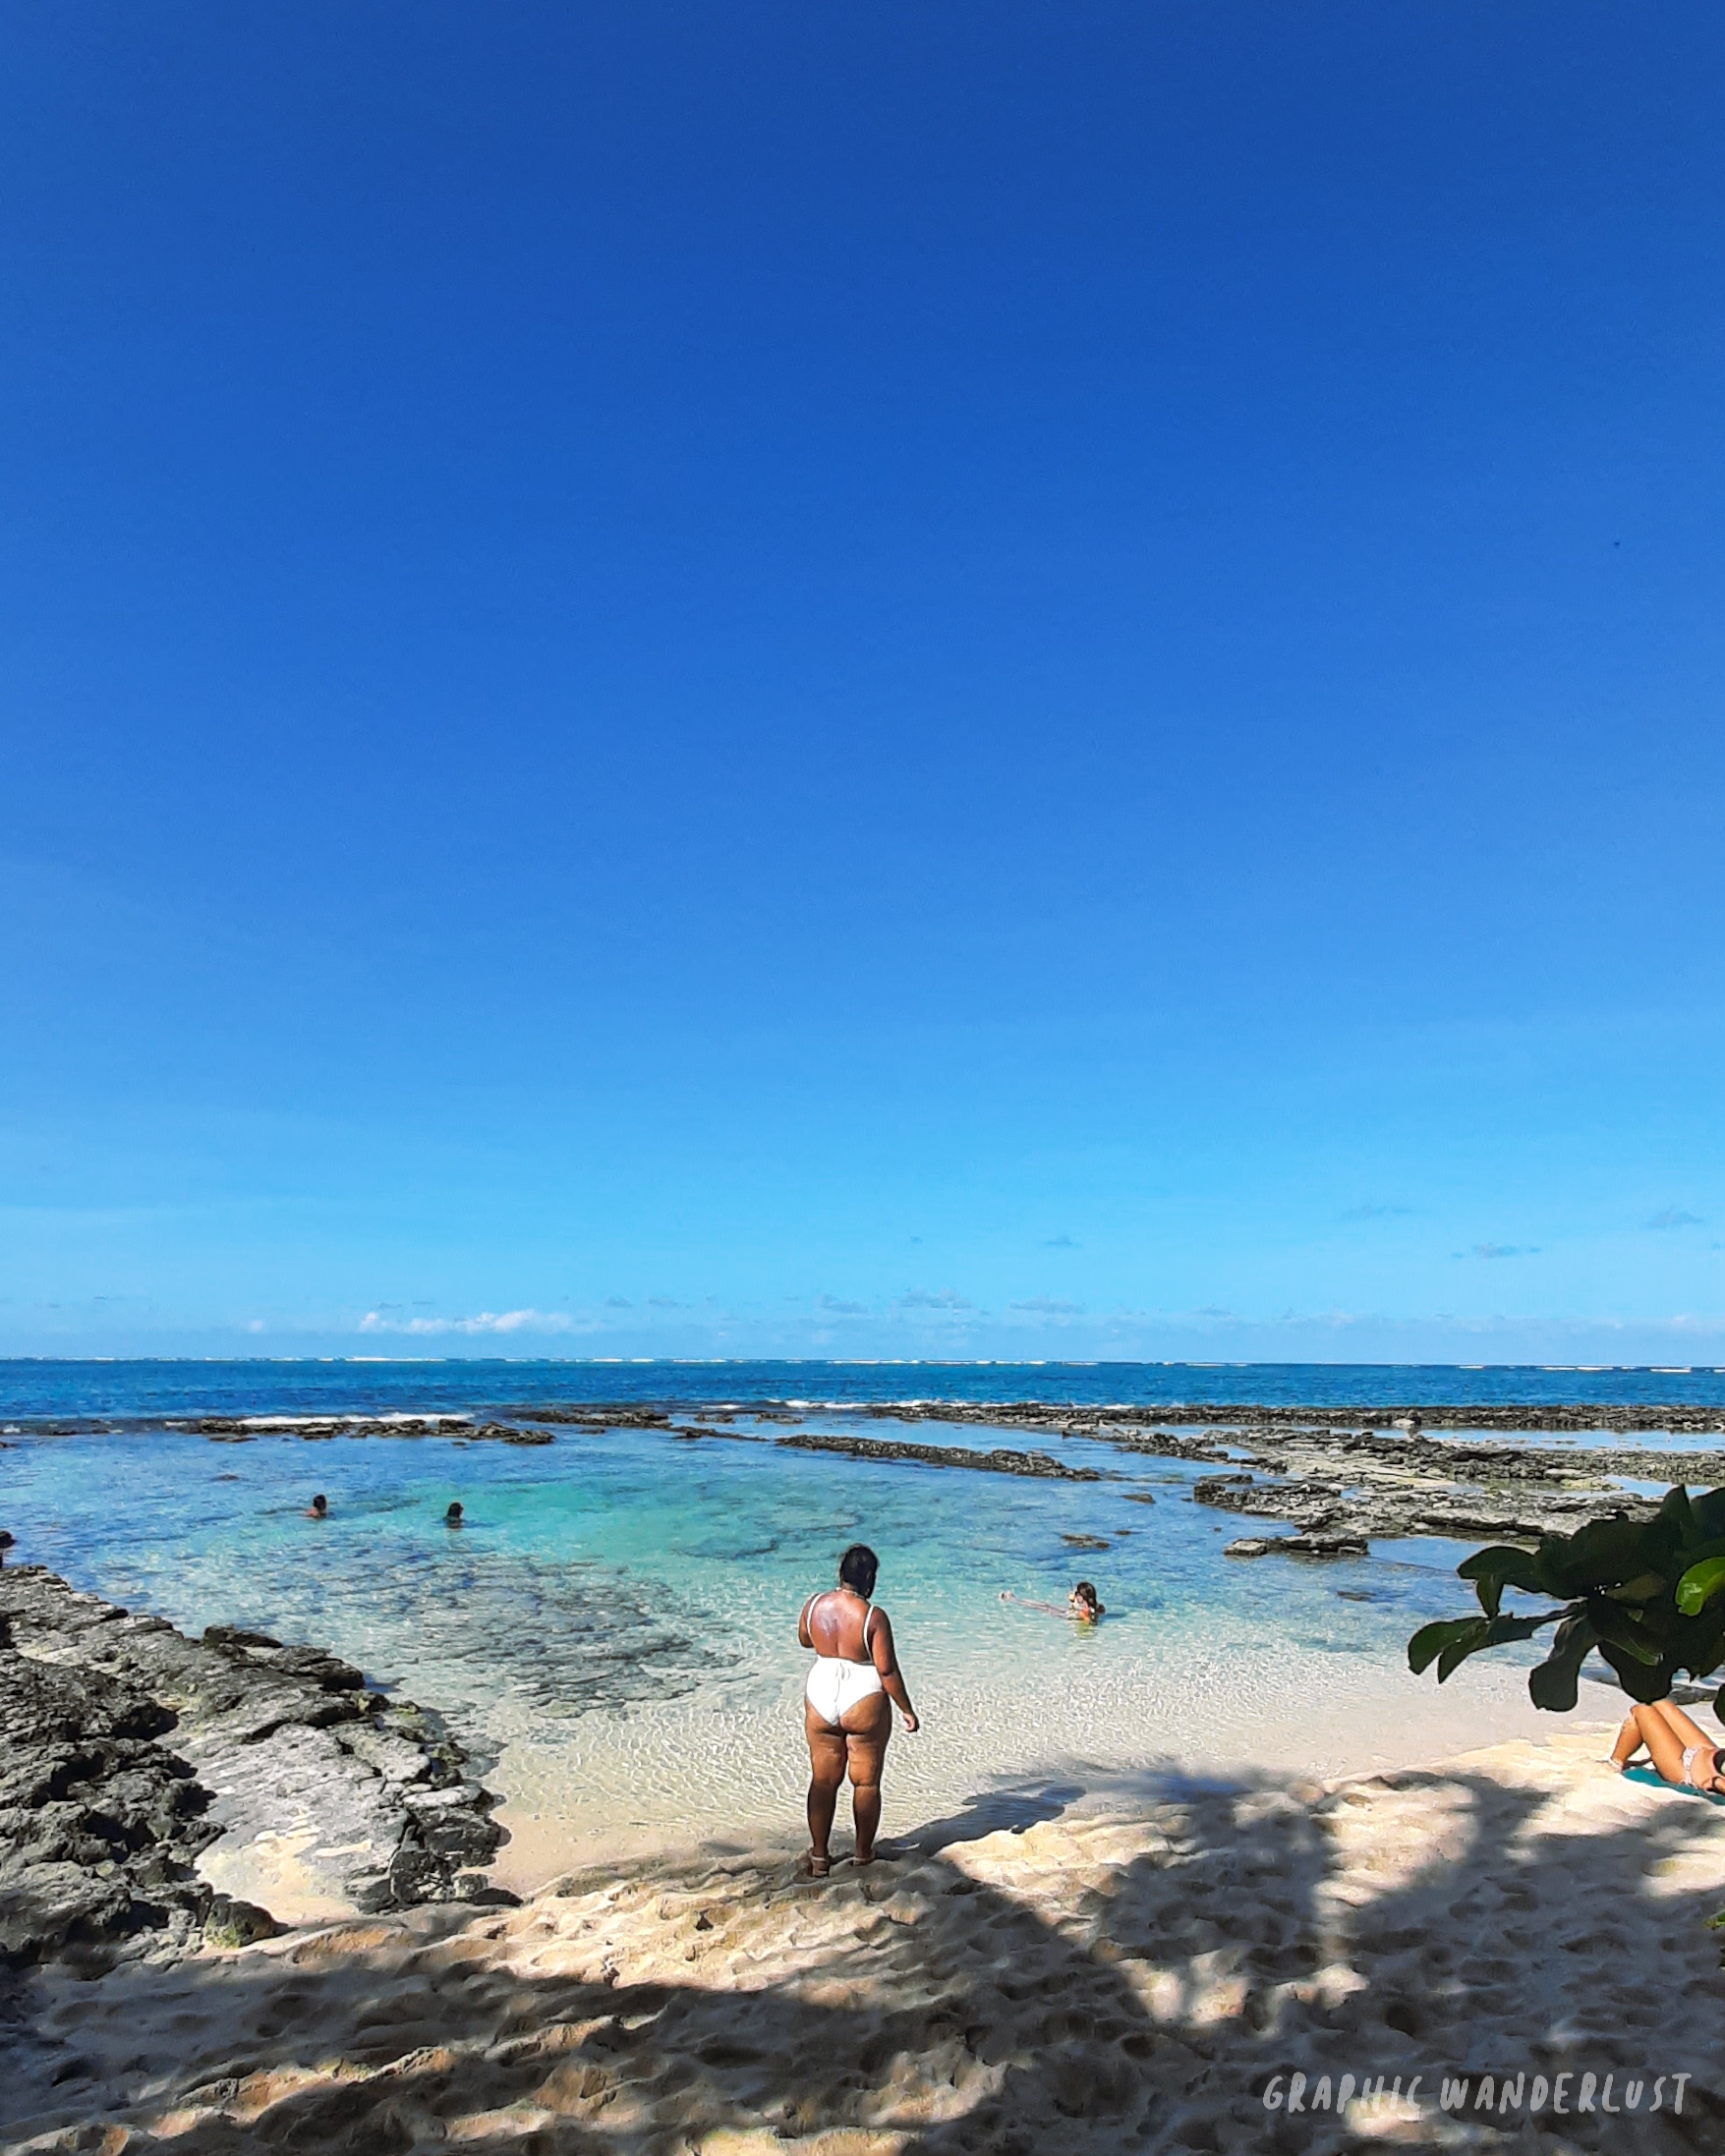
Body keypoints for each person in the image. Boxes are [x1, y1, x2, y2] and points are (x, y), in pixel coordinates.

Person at [798, 1544, 919, 1876]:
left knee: (823, 1781)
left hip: (822, 1689)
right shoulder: (872, 1616)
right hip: (863, 1693)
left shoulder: (813, 1605)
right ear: (870, 1578)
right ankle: (863, 1854)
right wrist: (906, 1709)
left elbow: (805, 1640)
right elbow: (887, 1670)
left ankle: (820, 1857)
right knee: (865, 1783)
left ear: (840, 1573)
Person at [1610, 1699, 1725, 1794]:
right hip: (1707, 1752)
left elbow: (1719, 1783)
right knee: (1657, 1702)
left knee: (1642, 1710)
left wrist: (1717, 1783)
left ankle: (1614, 1765)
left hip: (1686, 1769)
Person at [1000, 1580, 1106, 1622]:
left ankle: (1012, 1600)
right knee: (1045, 1605)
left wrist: (1075, 1605)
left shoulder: (1085, 1610)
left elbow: (1087, 1620)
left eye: (1076, 1592)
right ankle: (1014, 1599)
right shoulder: (1096, 1607)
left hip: (1065, 1615)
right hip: (1069, 1612)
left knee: (1044, 1607)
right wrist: (1073, 1602)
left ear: (1081, 1596)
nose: (1074, 1593)